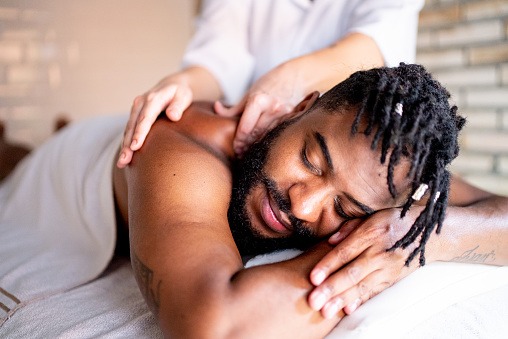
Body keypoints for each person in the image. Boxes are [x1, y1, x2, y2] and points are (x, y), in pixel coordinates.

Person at [0, 64, 506, 337]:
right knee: (13, 165)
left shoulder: (380, 164)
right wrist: (355, 245)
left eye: (348, 210)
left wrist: (426, 232)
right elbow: (214, 326)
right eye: (311, 159)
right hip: (72, 166)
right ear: (301, 108)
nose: (304, 206)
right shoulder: (181, 148)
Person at [117, 0, 424, 167]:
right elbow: (218, 61)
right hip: (244, 141)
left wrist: (288, 81)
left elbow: (372, 48)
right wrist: (181, 83)